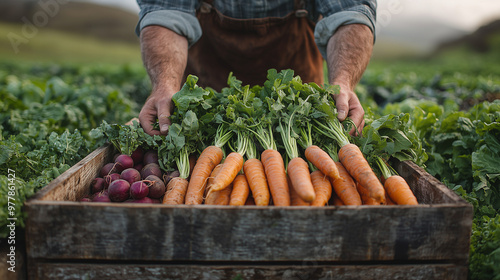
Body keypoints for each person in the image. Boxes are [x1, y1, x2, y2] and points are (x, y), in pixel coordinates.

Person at [135, 0, 376, 136]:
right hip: (205, 113)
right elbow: (165, 12)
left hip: (297, 113)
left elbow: (351, 12)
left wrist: (342, 81)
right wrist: (165, 85)